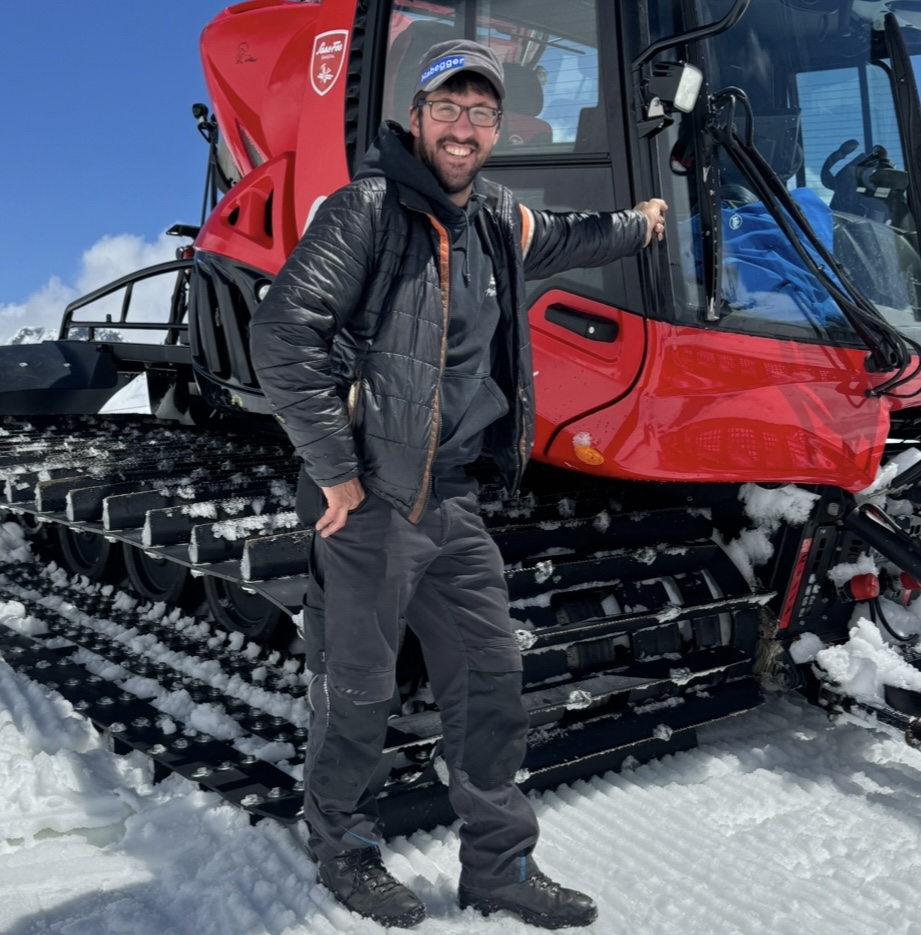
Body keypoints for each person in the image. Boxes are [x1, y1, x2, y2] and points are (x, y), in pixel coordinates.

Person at [250, 39, 667, 930]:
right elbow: (283, 335)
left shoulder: (496, 220)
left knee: (489, 680)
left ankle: (500, 865)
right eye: (448, 108)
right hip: (368, 501)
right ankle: (344, 849)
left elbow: (570, 235)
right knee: (359, 693)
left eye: (481, 112)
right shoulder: (366, 209)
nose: (464, 126)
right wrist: (335, 471)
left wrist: (639, 223)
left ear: (495, 128)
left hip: (454, 501)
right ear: (417, 118)